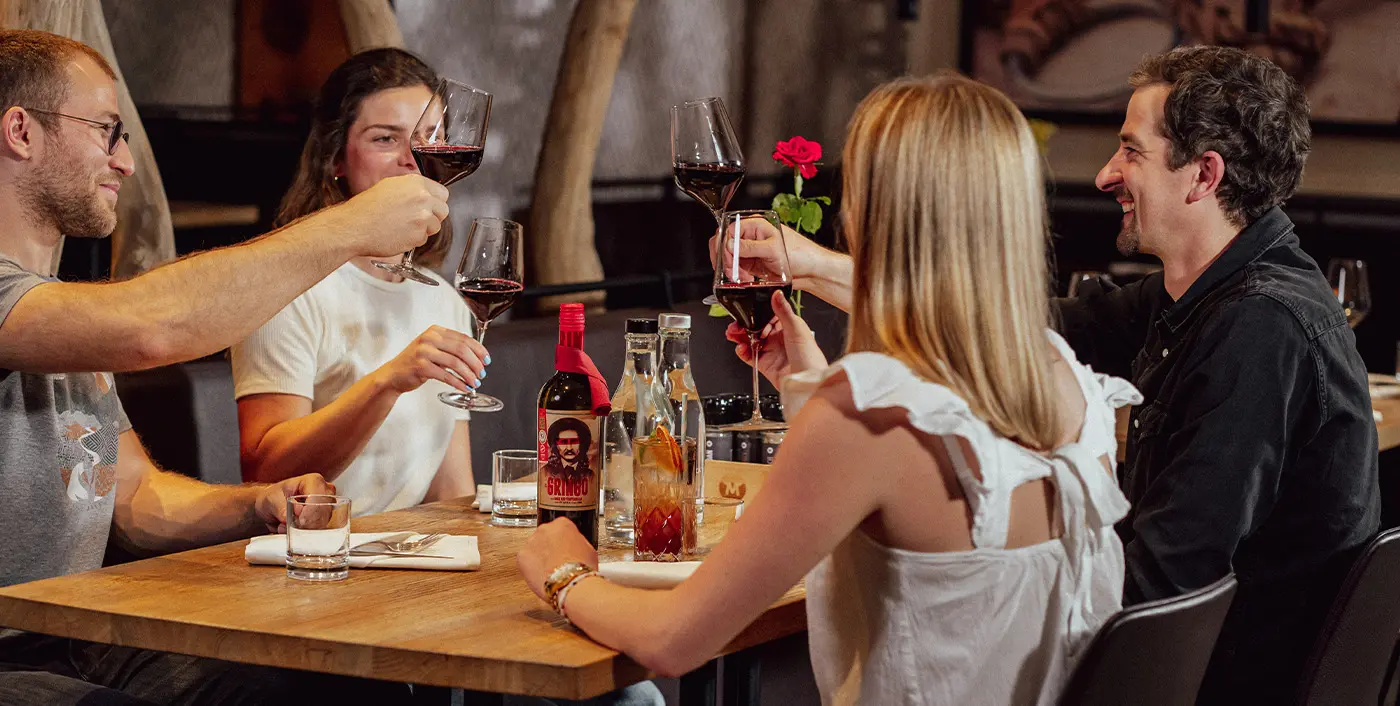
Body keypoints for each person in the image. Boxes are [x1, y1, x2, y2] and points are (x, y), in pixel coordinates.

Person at [715, 47, 1381, 705]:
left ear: (1204, 175)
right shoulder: (1213, 296)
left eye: (1131, 151)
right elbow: (1017, 333)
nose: (1104, 175)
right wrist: (809, 266)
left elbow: (1162, 589)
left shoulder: (1261, 325)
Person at [519, 73, 1141, 705]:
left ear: (875, 210)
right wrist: (810, 389)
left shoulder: (869, 416)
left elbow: (674, 641)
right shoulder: (1068, 380)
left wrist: (565, 573)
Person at [0, 29, 449, 704]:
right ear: (20, 131)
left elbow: (134, 498)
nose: (124, 162)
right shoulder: (37, 308)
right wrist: (353, 225)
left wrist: (258, 504)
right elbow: (154, 329)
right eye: (107, 130)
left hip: (81, 637)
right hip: (10, 654)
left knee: (334, 689)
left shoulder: (66, 317)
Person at [232, 48, 484, 517]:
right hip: (311, 559)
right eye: (386, 139)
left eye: (430, 138)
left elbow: (451, 492)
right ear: (336, 159)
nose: (413, 159)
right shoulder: (289, 289)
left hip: (410, 560)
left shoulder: (444, 300)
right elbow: (265, 472)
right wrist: (388, 381)